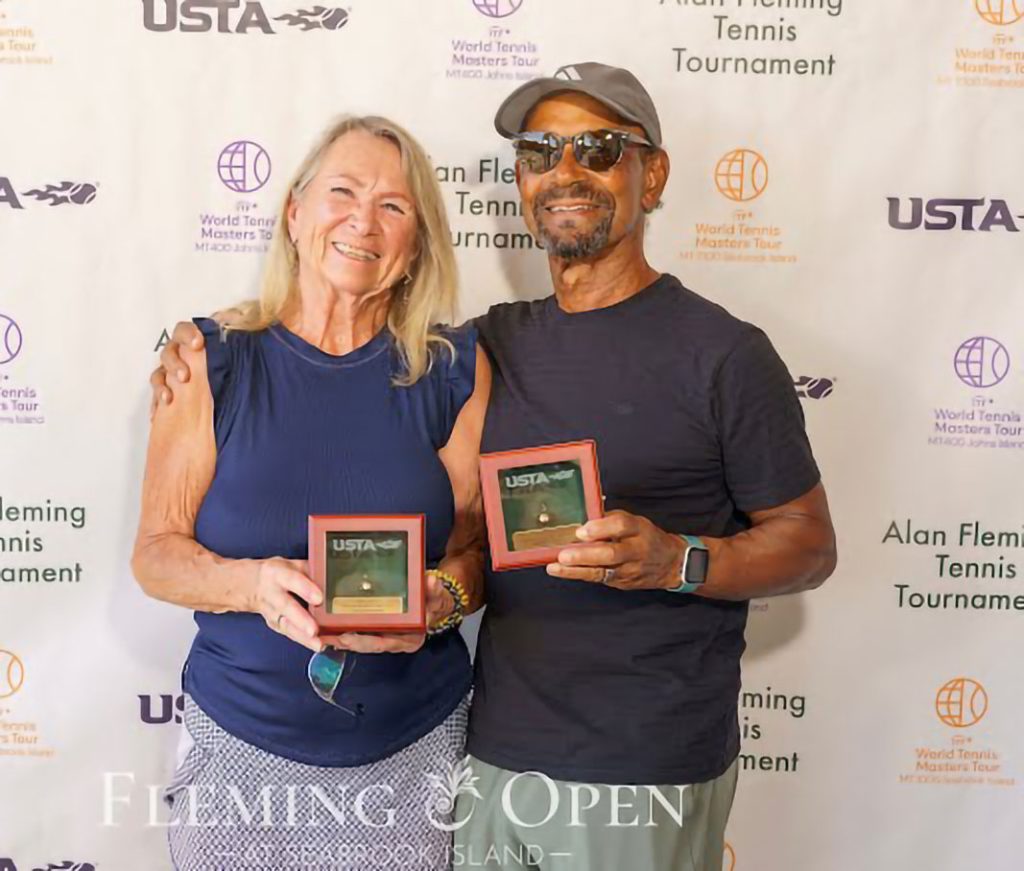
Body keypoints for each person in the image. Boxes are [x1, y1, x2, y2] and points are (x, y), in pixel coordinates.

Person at [153, 64, 837, 871]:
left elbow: (808, 544)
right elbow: (466, 542)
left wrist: (678, 559)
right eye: (542, 151)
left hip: (637, 760)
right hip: (488, 755)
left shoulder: (722, 354)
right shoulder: (489, 345)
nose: (566, 170)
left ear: (651, 173)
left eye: (599, 148)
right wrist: (233, 342)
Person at [132, 114, 490, 870]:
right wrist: (253, 585)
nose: (364, 220)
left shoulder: (454, 368)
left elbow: (474, 550)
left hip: (411, 746)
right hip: (240, 744)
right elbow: (157, 555)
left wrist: (441, 598)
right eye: (344, 191)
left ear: (417, 242)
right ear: (294, 212)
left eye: (395, 206)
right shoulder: (208, 357)